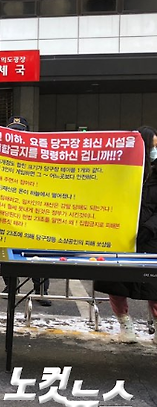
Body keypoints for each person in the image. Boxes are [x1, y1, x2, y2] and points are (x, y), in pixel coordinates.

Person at [94, 125, 157, 344]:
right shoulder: (121, 171)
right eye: (153, 146)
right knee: (116, 283)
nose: (154, 151)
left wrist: (150, 228)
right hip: (120, 238)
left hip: (151, 240)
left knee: (153, 286)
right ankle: (125, 325)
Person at [2, 116, 52, 306]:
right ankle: (11, 286)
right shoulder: (2, 155)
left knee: (38, 254)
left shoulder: (37, 153)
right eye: (13, 131)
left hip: (34, 213)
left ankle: (41, 290)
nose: (17, 135)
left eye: (20, 131)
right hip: (9, 212)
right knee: (8, 253)